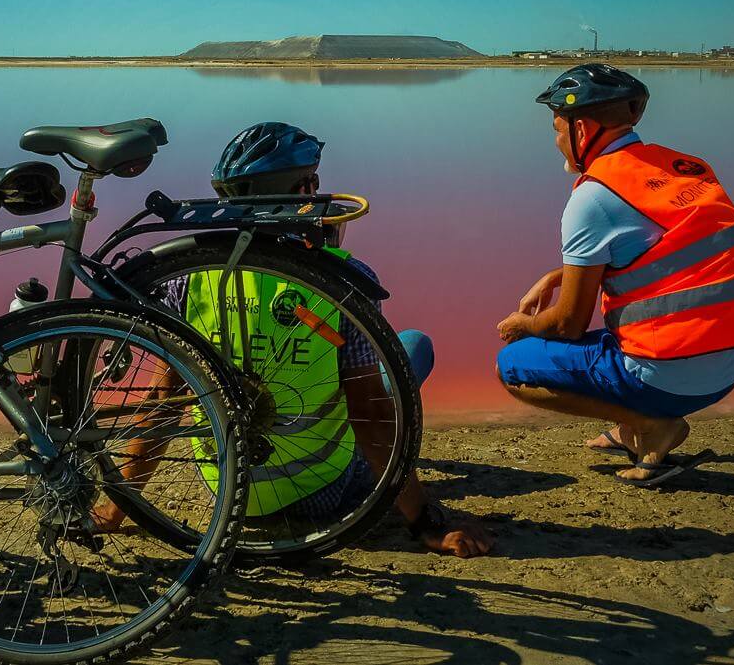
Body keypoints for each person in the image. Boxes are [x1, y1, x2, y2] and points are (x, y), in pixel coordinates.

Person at [96, 122, 493, 557]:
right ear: (302, 190)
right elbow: (372, 414)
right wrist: (424, 521)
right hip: (320, 492)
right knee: (414, 346)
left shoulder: (190, 278)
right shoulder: (344, 280)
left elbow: (162, 401)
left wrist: (115, 507)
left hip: (231, 494)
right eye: (313, 183)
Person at [495, 64, 734, 486]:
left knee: (512, 365)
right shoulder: (680, 167)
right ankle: (633, 422)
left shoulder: (593, 197)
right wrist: (559, 276)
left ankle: (649, 422)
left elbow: (568, 325)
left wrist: (524, 325)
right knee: (606, 339)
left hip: (674, 378)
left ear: (582, 130)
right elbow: (665, 256)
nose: (556, 142)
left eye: (556, 129)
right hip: (730, 365)